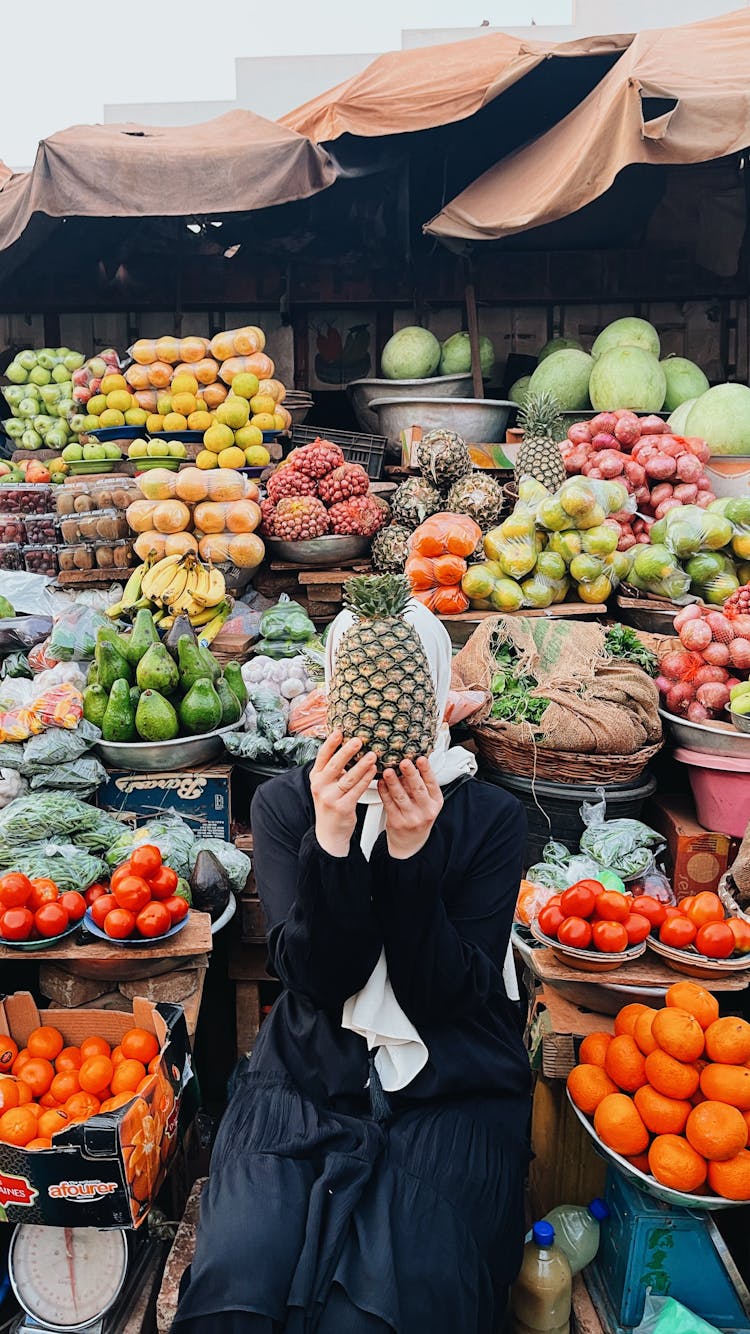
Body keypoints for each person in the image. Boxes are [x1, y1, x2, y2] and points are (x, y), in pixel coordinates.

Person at [173, 602, 532, 1334]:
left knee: (382, 1304)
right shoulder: (284, 805)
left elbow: (445, 995)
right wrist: (331, 841)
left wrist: (410, 856)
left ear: (436, 694)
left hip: (450, 1080)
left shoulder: (490, 817)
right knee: (239, 1287)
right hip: (308, 1069)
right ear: (336, 693)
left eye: (405, 684)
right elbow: (315, 979)